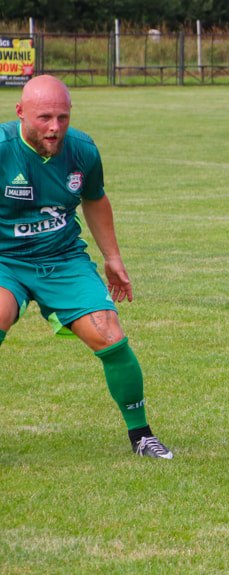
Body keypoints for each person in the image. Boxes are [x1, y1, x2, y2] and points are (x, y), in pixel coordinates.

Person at [0, 75, 173, 459]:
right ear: (19, 112)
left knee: (110, 335)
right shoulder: (1, 148)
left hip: (62, 259)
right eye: (44, 117)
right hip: (5, 260)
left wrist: (112, 257)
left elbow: (94, 199)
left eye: (62, 117)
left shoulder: (82, 150)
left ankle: (141, 435)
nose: (54, 128)